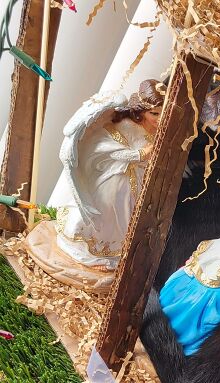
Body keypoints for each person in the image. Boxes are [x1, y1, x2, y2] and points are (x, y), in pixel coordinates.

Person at [55, 79, 164, 272]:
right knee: (108, 215)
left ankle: (112, 253)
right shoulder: (127, 125)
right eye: (154, 113)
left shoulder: (157, 129)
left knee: (126, 221)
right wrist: (139, 154)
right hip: (116, 180)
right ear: (141, 111)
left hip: (138, 183)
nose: (159, 118)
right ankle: (90, 252)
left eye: (162, 112)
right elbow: (107, 149)